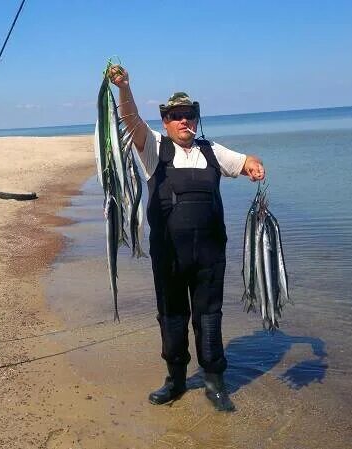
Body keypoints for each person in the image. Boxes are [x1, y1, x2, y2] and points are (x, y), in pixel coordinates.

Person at [107, 65, 265, 412]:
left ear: (196, 118)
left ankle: (214, 380)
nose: (184, 122)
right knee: (172, 316)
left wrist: (254, 165)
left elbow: (244, 161)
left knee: (209, 317)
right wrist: (125, 87)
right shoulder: (154, 149)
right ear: (165, 121)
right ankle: (176, 380)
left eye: (189, 115)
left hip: (210, 255)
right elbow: (130, 120)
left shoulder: (211, 151)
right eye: (176, 116)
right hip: (170, 256)